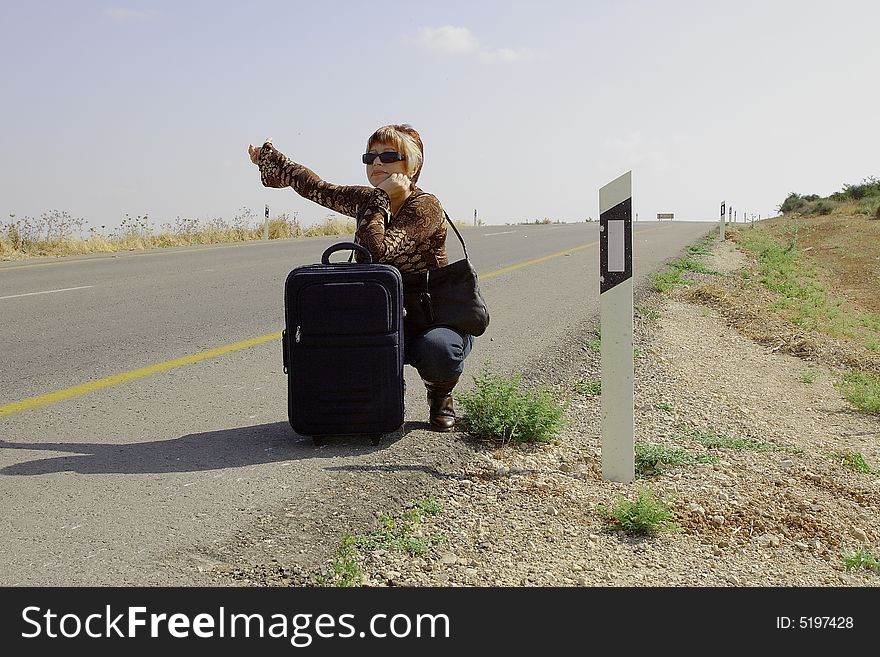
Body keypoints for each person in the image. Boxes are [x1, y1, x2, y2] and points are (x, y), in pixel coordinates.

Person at [247, 124, 473, 431]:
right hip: (379, 313)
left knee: (437, 350)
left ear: (413, 164)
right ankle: (387, 391)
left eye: (389, 155)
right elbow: (316, 187)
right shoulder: (368, 198)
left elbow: (378, 253)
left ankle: (440, 394)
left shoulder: (425, 206)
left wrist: (378, 202)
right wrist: (271, 159)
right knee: (338, 338)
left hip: (429, 316)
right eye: (371, 156)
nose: (377, 163)